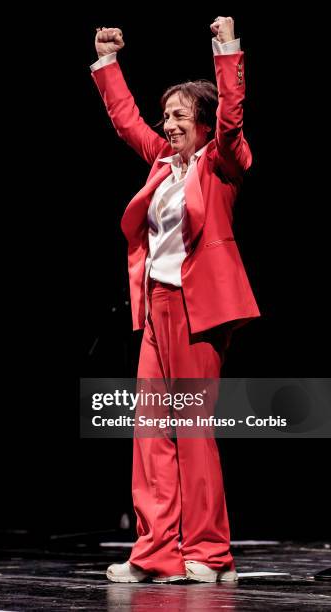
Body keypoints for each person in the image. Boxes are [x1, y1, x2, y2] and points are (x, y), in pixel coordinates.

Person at [90, 17, 260, 583]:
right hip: (156, 307)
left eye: (182, 116)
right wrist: (108, 62)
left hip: (199, 310)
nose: (171, 125)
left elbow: (233, 115)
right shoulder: (163, 162)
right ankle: (155, 551)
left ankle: (210, 555)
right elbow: (125, 123)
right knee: (149, 432)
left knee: (190, 430)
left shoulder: (222, 162)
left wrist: (225, 47)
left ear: (204, 124)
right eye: (169, 117)